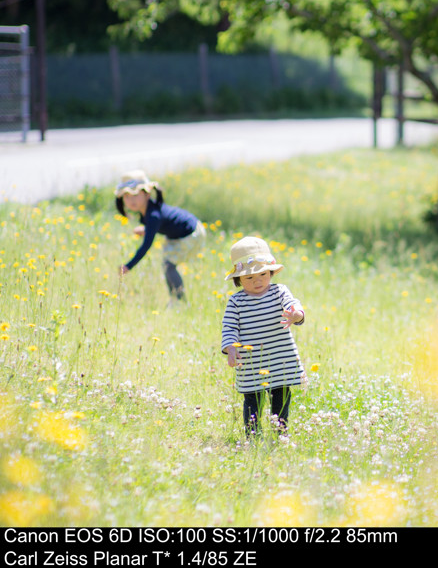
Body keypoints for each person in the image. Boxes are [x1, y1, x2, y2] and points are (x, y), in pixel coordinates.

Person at [220, 236, 307, 438]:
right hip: (251, 362)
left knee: (281, 398)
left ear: (271, 272)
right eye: (249, 278)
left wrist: (296, 315)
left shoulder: (279, 292)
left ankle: (281, 434)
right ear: (238, 279)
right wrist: (231, 348)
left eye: (263, 274)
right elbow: (229, 327)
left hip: (281, 359)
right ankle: (252, 437)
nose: (257, 281)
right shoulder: (236, 301)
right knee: (252, 401)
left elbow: (293, 305)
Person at [115, 170, 206, 301]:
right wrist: (147, 229)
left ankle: (180, 301)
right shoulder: (149, 210)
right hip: (185, 231)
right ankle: (175, 299)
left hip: (191, 233)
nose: (131, 200)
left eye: (136, 195)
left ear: (147, 194)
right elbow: (161, 223)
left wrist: (128, 266)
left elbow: (146, 245)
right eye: (127, 196)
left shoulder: (153, 216)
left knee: (169, 265)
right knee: (167, 264)